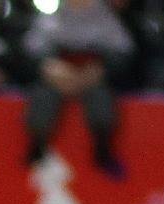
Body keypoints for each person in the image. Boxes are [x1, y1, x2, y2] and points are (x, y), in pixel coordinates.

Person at [20, 0, 133, 175]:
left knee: (101, 98)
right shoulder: (51, 15)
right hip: (57, 74)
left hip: (92, 73)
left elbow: (122, 51)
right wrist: (47, 67)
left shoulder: (105, 16)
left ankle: (102, 145)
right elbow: (32, 49)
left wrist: (100, 69)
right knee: (43, 96)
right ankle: (37, 144)